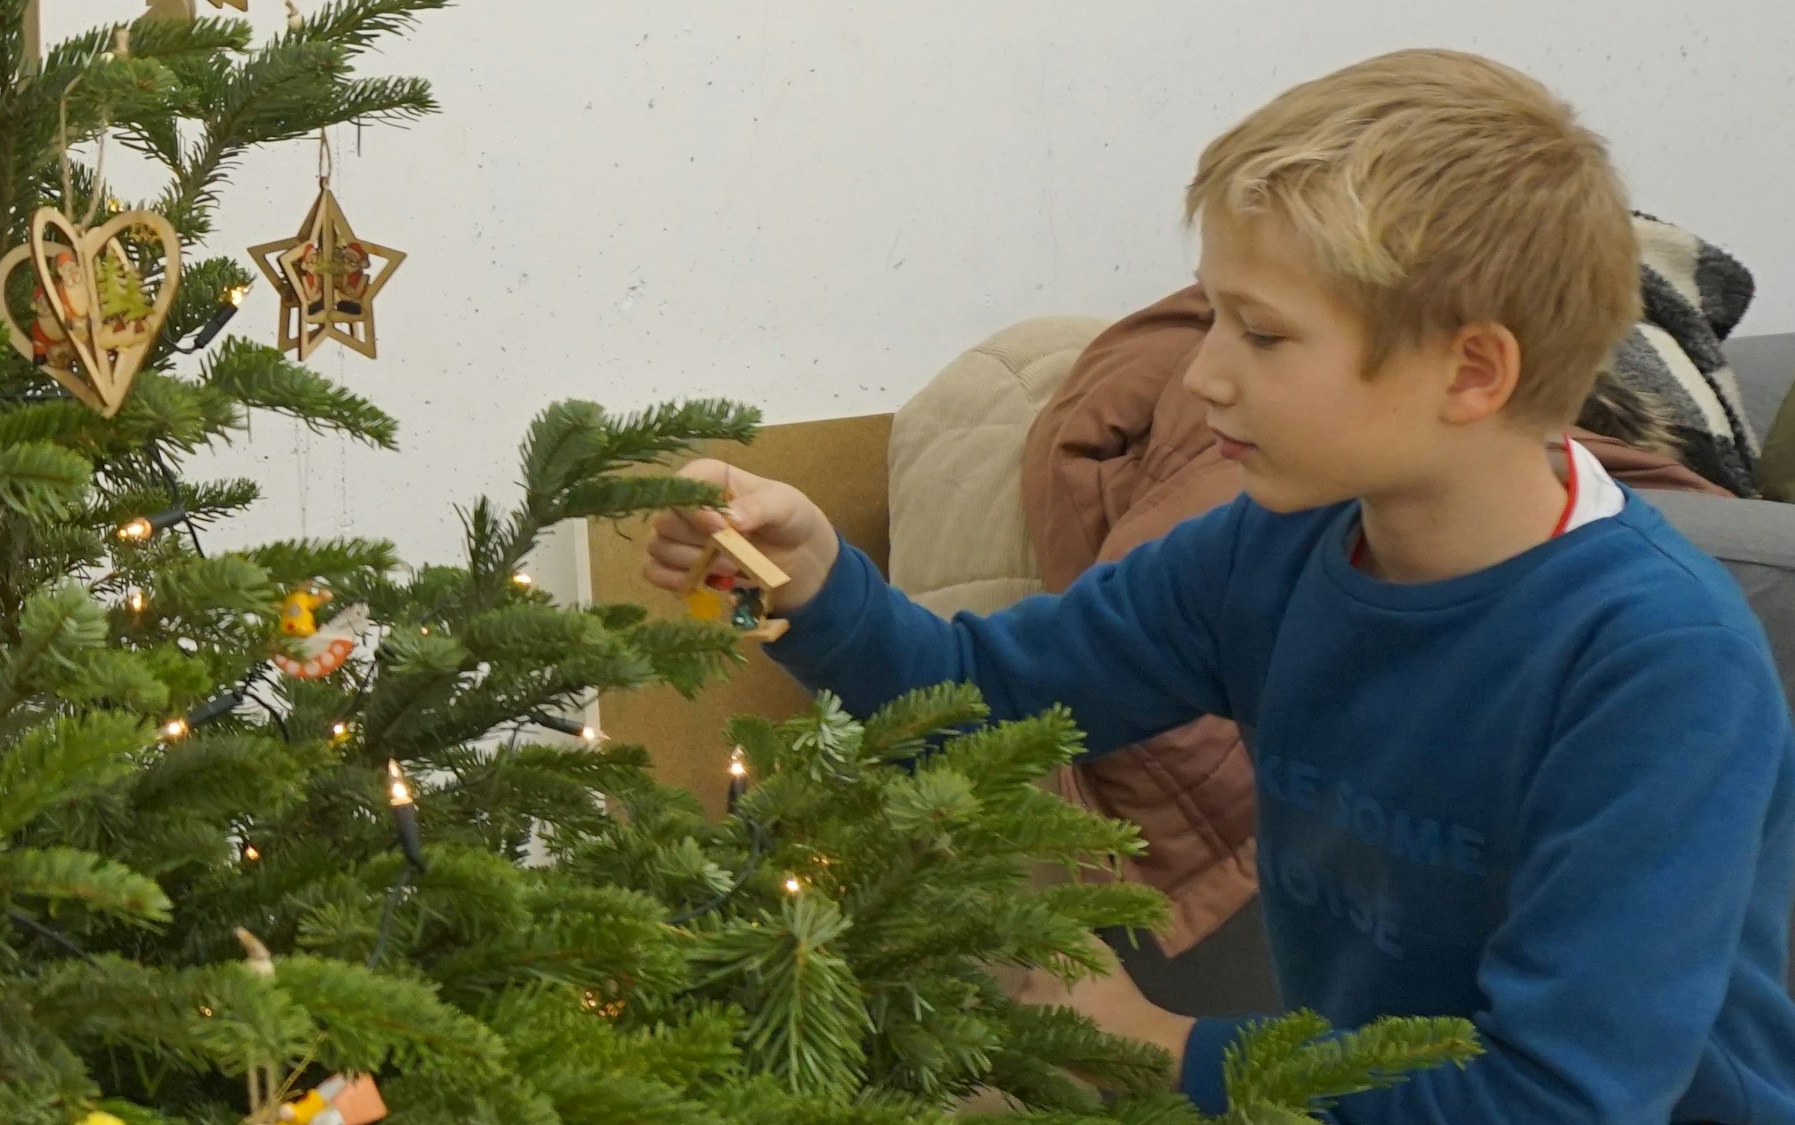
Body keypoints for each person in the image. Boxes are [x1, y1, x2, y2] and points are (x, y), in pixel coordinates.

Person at [644, 48, 1795, 1122]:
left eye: (1261, 335)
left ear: (1471, 369)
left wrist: (1159, 1047)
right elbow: (972, 698)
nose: (1202, 376)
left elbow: (1560, 1098)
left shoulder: (1655, 663)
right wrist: (805, 584)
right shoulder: (1267, 550)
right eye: (1212, 318)